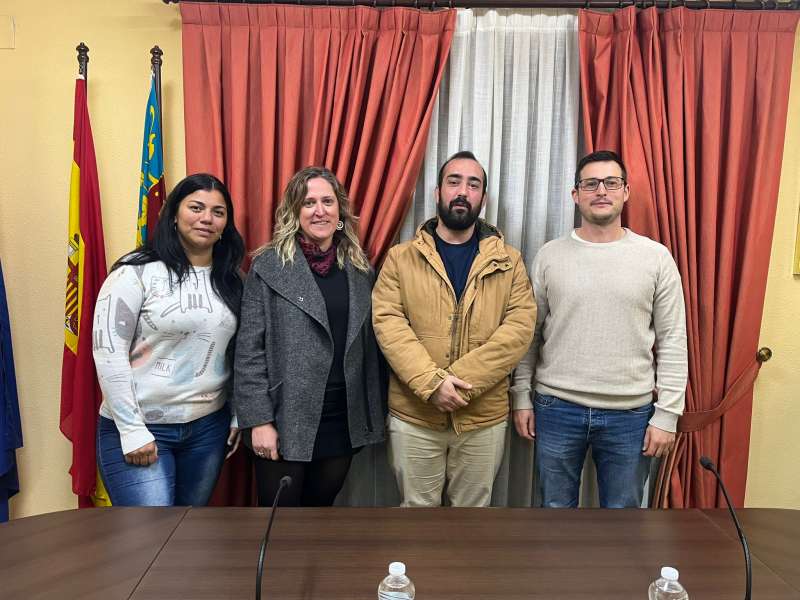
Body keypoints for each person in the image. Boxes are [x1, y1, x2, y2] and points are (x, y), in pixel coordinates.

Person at [511, 150, 688, 508]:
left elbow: (673, 340)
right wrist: (521, 396)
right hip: (556, 407)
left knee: (622, 523)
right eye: (590, 184)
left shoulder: (656, 257)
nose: (601, 191)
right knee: (553, 516)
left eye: (611, 182)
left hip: (632, 414)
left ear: (626, 192)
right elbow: (529, 335)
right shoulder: (549, 256)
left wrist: (668, 414)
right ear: (576, 195)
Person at [372, 150, 535, 507]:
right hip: (415, 416)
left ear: (483, 198)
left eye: (473, 184)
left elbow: (519, 330)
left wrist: (457, 383)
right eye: (454, 181)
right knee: (416, 516)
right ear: (437, 192)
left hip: (482, 419)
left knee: (472, 522)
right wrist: (432, 384)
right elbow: (388, 323)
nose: (462, 191)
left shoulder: (510, 261)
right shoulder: (401, 258)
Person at [233, 166, 386, 507]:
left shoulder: (361, 270)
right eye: (309, 202)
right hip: (285, 417)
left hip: (342, 418)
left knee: (321, 516)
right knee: (280, 522)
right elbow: (248, 352)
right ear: (294, 212)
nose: (320, 210)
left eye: (328, 201)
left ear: (340, 211)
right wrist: (259, 420)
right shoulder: (269, 266)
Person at [93, 173, 245, 506]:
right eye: (196, 207)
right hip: (143, 427)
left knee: (187, 535)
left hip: (208, 430)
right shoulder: (135, 273)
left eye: (218, 212)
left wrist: (238, 414)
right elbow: (108, 353)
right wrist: (132, 431)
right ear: (174, 214)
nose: (207, 218)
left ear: (226, 225)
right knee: (151, 539)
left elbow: (241, 354)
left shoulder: (233, 281)